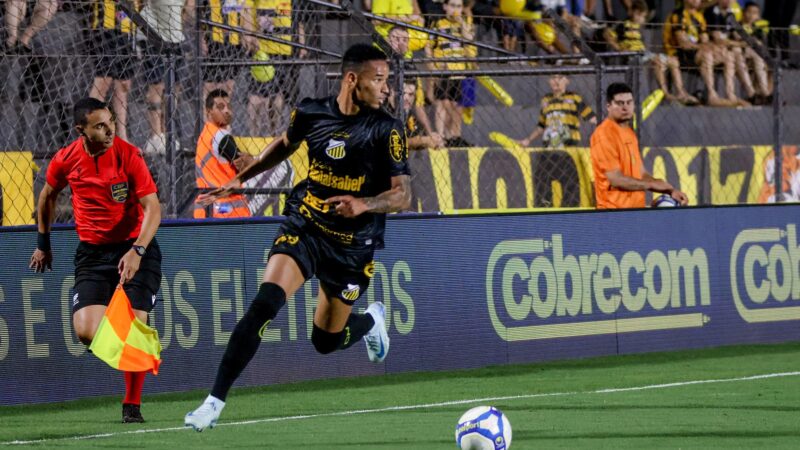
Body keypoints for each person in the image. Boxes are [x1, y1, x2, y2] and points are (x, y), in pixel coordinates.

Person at [184, 43, 410, 431]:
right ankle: (213, 402)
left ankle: (370, 322)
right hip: (306, 225)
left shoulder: (386, 129)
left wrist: (364, 204)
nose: (386, 88)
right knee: (265, 303)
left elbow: (403, 194)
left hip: (352, 245)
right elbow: (283, 147)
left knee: (325, 342)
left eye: (387, 81)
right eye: (379, 80)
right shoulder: (311, 111)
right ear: (352, 79)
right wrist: (239, 180)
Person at [29, 97, 163, 423]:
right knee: (86, 331)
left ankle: (132, 404)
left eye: (111, 122)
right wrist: (43, 243)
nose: (109, 130)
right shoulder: (67, 159)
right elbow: (47, 195)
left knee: (133, 322)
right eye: (100, 126)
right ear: (81, 130)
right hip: (92, 252)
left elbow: (153, 209)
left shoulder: (128, 156)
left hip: (135, 248)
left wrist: (137, 251)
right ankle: (138, 351)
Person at [590, 82, 688, 209]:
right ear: (608, 106)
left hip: (636, 211)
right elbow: (616, 179)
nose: (625, 107)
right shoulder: (603, 135)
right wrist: (650, 185)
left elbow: (642, 174)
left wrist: (669, 190)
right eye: (620, 103)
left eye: (629, 102)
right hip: (613, 213)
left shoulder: (630, 134)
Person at [606, 0, 699, 105]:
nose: (641, 19)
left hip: (645, 54)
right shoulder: (623, 25)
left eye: (643, 16)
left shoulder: (639, 28)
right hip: (634, 55)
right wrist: (619, 48)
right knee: (658, 61)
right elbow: (607, 34)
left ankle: (681, 92)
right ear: (631, 12)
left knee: (673, 61)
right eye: (639, 15)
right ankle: (665, 93)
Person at [663, 0, 745, 107]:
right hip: (678, 53)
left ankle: (731, 95)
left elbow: (704, 40)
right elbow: (683, 43)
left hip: (696, 52)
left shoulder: (699, 16)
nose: (699, 1)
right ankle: (712, 95)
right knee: (707, 55)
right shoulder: (677, 15)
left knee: (728, 55)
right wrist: (705, 47)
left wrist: (714, 48)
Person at [246, 0, 307, 136]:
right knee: (258, 99)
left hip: (286, 53)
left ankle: (273, 134)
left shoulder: (293, 2)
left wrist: (302, 46)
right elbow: (249, 19)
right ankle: (254, 136)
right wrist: (252, 36)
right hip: (264, 54)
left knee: (278, 99)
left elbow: (299, 22)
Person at [194, 89, 253, 218]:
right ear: (209, 112)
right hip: (226, 211)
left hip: (207, 209)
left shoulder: (206, 135)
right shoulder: (221, 137)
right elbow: (247, 166)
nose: (227, 111)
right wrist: (250, 159)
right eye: (221, 107)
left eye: (229, 106)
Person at [87, 0, 141, 140]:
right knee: (102, 82)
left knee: (123, 85)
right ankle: (90, 134)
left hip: (127, 26)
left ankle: (122, 138)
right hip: (105, 27)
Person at [425, 0, 474, 146]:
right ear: (445, 7)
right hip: (444, 70)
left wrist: (462, 23)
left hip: (460, 70)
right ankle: (440, 136)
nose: (455, 9)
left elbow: (469, 39)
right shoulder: (438, 24)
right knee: (441, 103)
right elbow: (429, 47)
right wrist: (433, 67)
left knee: (458, 105)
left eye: (458, 6)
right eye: (452, 5)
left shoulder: (464, 24)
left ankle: (454, 136)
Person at [704, 0, 769, 105]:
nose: (728, 1)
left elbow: (740, 35)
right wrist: (741, 43)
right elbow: (717, 39)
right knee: (736, 52)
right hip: (716, 49)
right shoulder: (712, 12)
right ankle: (751, 93)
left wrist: (749, 41)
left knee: (757, 54)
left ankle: (765, 93)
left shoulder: (731, 14)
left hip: (732, 47)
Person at [517, 73, 596, 149]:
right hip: (550, 145)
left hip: (569, 146)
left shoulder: (574, 97)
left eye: (560, 77)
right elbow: (541, 125)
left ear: (567, 81)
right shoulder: (546, 100)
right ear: (549, 81)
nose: (556, 81)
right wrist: (528, 140)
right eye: (553, 77)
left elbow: (591, 117)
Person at [199, 0, 256, 99]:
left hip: (234, 43)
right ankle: (206, 112)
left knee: (228, 86)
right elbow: (198, 13)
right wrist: (200, 38)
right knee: (209, 86)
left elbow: (246, 11)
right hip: (213, 41)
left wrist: (248, 34)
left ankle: (223, 112)